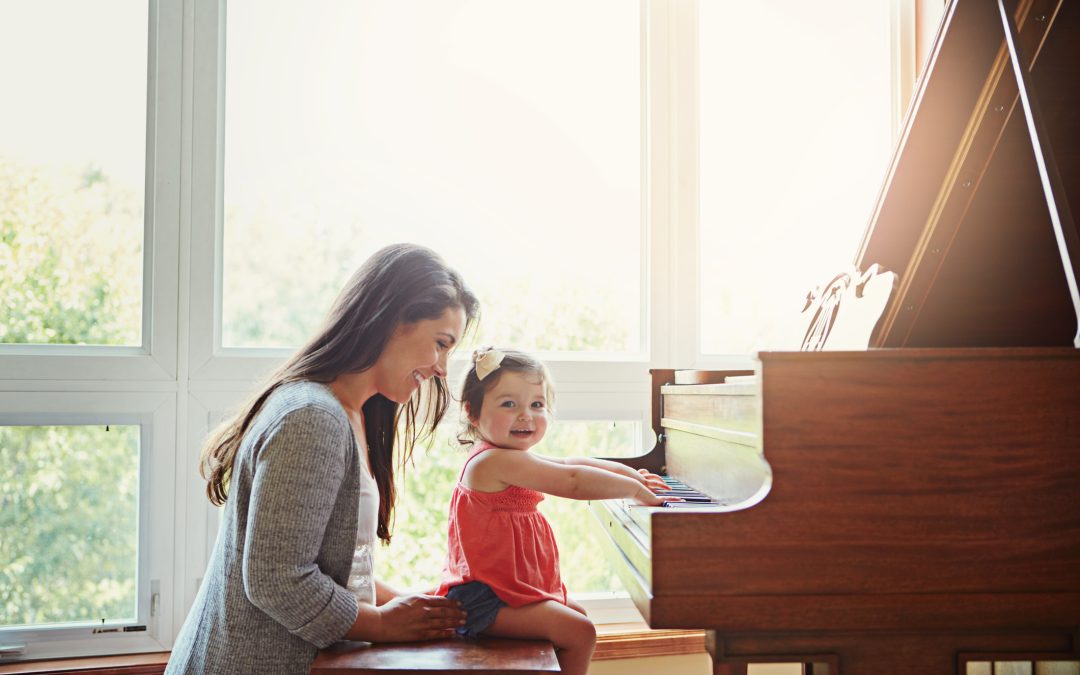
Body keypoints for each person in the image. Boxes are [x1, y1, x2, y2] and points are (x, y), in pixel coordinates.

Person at [166, 244, 478, 675]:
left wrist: (413, 608)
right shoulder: (312, 418)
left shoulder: (353, 415)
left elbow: (338, 566)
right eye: (441, 344)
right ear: (392, 321)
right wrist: (386, 624)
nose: (443, 368)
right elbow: (278, 580)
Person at [435, 347, 678, 675]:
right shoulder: (493, 461)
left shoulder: (509, 457)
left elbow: (571, 462)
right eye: (509, 404)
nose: (526, 415)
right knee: (581, 632)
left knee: (577, 614)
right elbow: (573, 481)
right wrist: (633, 490)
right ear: (473, 413)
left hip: (510, 592)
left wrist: (631, 474)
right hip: (484, 600)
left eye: (537, 404)